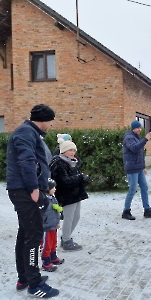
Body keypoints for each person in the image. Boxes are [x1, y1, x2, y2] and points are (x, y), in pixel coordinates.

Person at [6, 104, 59, 297]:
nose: (51, 124)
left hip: (24, 191)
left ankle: (25, 278)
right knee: (34, 237)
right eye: (51, 120)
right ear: (44, 119)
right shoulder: (26, 133)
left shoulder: (30, 132)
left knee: (25, 235)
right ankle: (34, 285)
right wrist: (34, 188)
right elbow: (26, 160)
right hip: (26, 192)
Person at [49, 140, 90, 251]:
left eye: (74, 150)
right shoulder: (58, 163)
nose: (72, 152)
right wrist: (80, 177)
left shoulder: (72, 161)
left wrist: (84, 179)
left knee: (76, 217)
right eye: (70, 150)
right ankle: (66, 241)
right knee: (69, 218)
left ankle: (65, 238)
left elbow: (75, 177)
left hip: (75, 194)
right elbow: (64, 181)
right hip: (66, 195)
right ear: (63, 151)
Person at [122, 120, 151, 220]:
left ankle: (147, 210)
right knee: (132, 190)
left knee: (144, 188)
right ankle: (126, 211)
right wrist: (146, 139)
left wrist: (143, 167)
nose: (139, 129)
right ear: (133, 128)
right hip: (132, 168)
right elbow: (134, 148)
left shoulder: (136, 137)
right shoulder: (129, 137)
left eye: (140, 127)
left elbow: (140, 154)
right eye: (138, 127)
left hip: (139, 168)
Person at [41, 178, 64, 272]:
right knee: (46, 244)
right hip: (46, 226)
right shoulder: (43, 200)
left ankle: (53, 256)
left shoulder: (52, 197)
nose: (55, 189)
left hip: (53, 225)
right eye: (53, 187)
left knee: (53, 242)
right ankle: (46, 262)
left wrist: (57, 222)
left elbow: (54, 213)